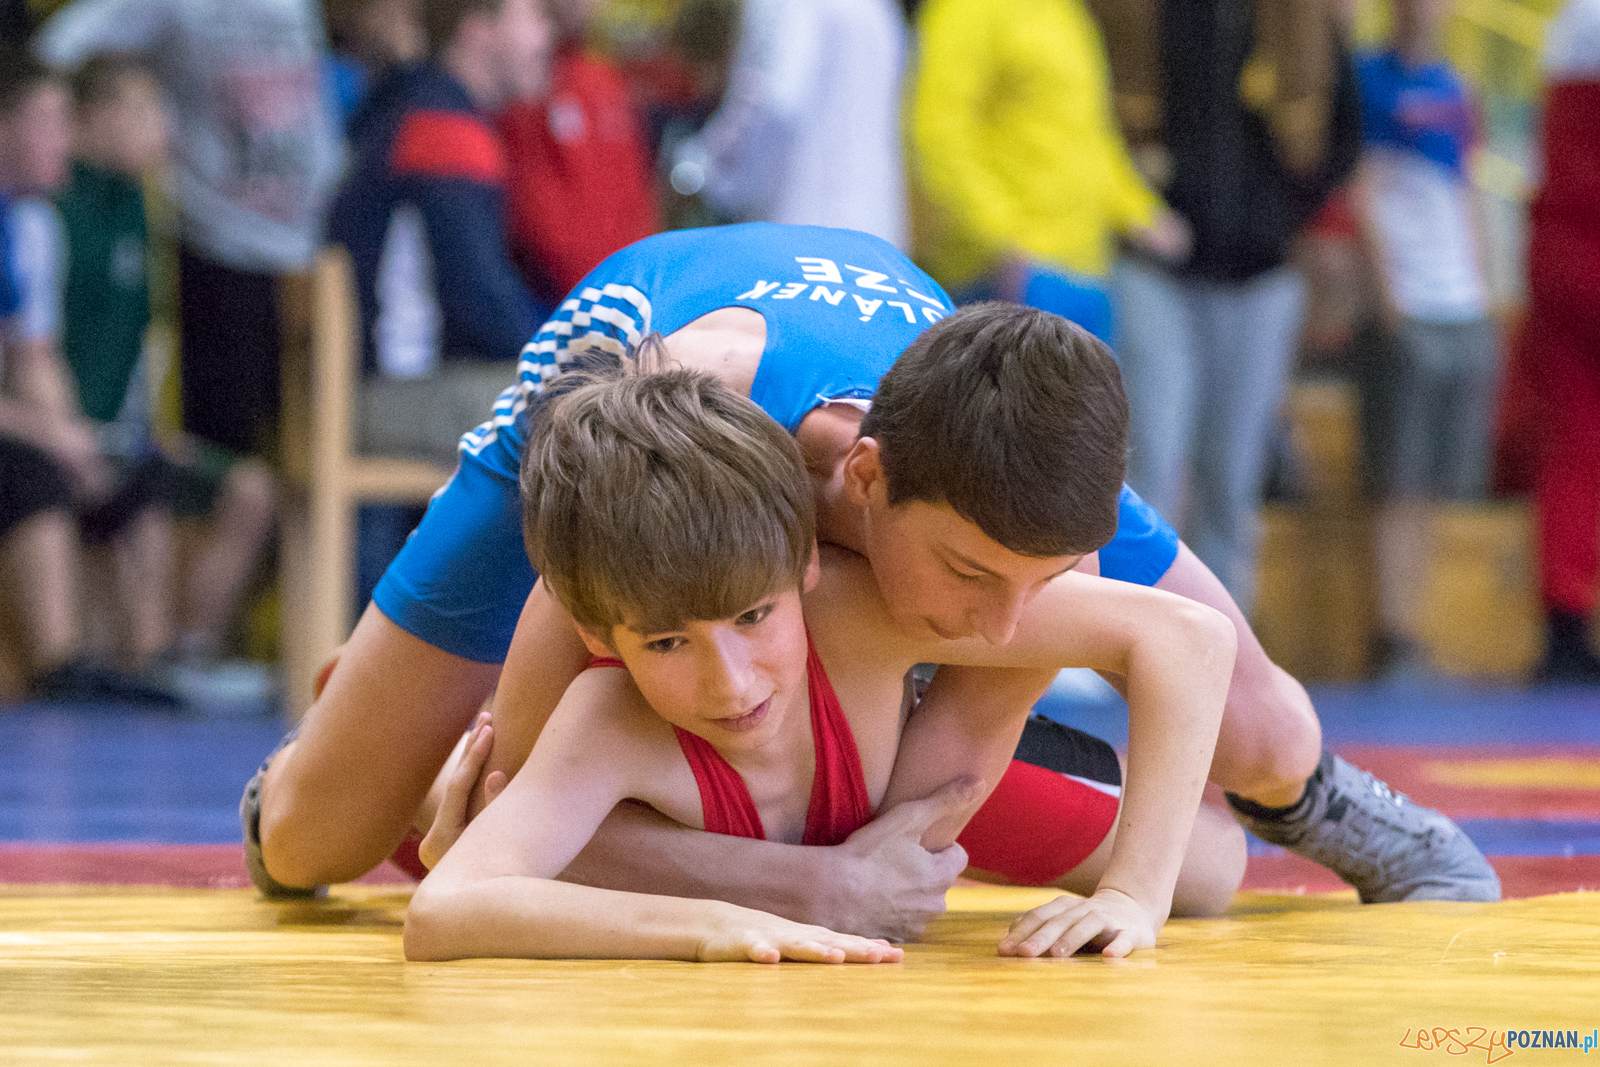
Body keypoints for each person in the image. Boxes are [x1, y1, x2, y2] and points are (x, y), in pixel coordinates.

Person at [247, 223, 1498, 938]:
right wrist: (803, 886)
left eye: (1041, 580)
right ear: (865, 488)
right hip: (604, 419)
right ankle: (341, 724)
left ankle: (1339, 812)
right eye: (973, 574)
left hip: (963, 404)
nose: (1017, 623)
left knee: (1272, 732)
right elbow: (534, 789)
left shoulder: (993, 475)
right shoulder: (702, 434)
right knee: (320, 841)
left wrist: (1129, 885)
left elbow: (1162, 640)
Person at [405, 357, 1247, 963]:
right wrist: (706, 923)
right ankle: (433, 779)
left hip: (892, 775)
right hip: (713, 815)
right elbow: (446, 909)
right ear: (600, 640)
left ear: (807, 570)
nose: (730, 682)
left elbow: (1189, 638)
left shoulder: (852, 612)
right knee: (478, 800)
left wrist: (1134, 895)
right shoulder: (608, 721)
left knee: (1212, 868)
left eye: (753, 617)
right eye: (666, 643)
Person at [1108, 0, 1362, 612]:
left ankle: (1221, 639)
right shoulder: (1128, 12)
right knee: (1152, 458)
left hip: (1261, 274)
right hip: (1154, 267)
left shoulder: (1304, 16)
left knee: (1233, 475)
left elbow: (1346, 130)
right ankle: (1127, 627)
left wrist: (1283, 216)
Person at [54, 54, 278, 688]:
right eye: (141, 112)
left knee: (251, 490)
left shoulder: (146, 209)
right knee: (143, 489)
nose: (161, 130)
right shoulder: (52, 210)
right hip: (72, 434)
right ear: (88, 120)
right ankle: (144, 659)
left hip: (129, 435)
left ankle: (186, 654)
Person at [35, 0, 342, 461]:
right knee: (227, 446)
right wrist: (84, 126)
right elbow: (60, 47)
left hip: (302, 250)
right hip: (219, 244)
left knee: (287, 456)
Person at [326, 0, 553, 598]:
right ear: (477, 27)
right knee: (590, 413)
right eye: (531, 17)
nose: (546, 34)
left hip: (365, 385)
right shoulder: (444, 128)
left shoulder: (402, 105)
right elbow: (478, 298)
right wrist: (572, 349)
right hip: (395, 393)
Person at [0, 47, 175, 705]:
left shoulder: (20, 224)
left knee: (123, 469)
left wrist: (74, 436)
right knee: (36, 468)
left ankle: (145, 659)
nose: (63, 139)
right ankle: (58, 665)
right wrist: (48, 435)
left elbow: (32, 356)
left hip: (23, 421)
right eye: (47, 121)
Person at [1350, 0, 1499, 676]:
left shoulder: (1457, 90)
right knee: (1397, 479)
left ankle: (1416, 625)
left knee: (1437, 481)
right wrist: (1386, 292)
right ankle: (1395, 633)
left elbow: (1464, 190)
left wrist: (1485, 285)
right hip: (1404, 301)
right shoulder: (1366, 80)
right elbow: (1358, 188)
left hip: (1459, 298)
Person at [909, 0, 1190, 342]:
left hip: (1085, 267)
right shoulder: (967, 10)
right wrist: (998, 240)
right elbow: (938, 132)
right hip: (1010, 272)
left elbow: (1090, 135)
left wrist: (1143, 214)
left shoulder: (1065, 12)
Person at [668, 0, 909, 250]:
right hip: (877, 233)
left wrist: (701, 171)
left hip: (800, 233)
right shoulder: (878, 8)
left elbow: (776, 104)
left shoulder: (790, 6)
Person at [1522, 0, 1600, 683]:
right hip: (1582, 253)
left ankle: (1565, 619)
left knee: (1574, 443)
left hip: (1562, 256)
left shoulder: (1570, 25)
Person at [498, 0, 659, 306]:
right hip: (562, 308)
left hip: (626, 303)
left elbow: (638, 205)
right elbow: (535, 219)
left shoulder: (604, 83)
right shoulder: (524, 91)